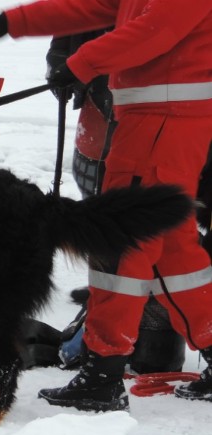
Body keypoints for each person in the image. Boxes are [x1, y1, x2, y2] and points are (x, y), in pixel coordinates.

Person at [0, 0, 212, 411]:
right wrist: (10, 22)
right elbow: (92, 5)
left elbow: (157, 30)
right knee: (171, 248)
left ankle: (102, 372)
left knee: (122, 244)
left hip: (162, 119)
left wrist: (82, 63)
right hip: (161, 117)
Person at [48, 30, 186, 376]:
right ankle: (105, 330)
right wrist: (62, 64)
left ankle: (152, 338)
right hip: (101, 108)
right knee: (107, 226)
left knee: (151, 236)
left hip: (162, 115)